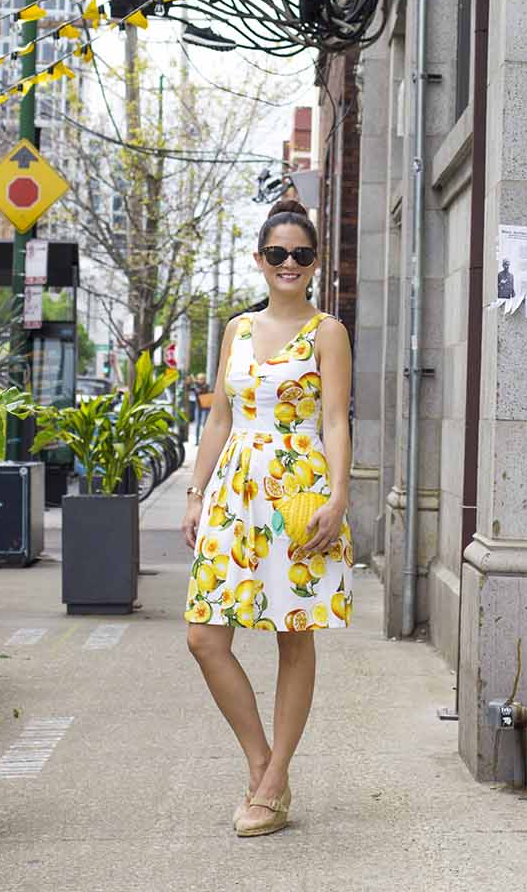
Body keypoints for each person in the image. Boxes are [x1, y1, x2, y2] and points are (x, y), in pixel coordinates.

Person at [182, 198, 354, 838]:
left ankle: (275, 780)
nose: (289, 263)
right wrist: (197, 493)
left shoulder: (327, 332)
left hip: (297, 492)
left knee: (292, 634)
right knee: (205, 635)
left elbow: (335, 419)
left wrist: (337, 495)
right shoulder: (237, 330)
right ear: (260, 260)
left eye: (301, 255)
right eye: (277, 253)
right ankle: (261, 763)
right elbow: (219, 418)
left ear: (314, 264)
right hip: (233, 491)